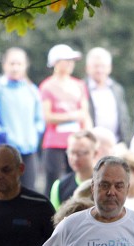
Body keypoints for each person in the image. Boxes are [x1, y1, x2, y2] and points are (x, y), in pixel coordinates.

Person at [0, 47, 44, 191]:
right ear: (4, 65)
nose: (15, 68)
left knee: (29, 190)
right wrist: (2, 133)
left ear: (25, 66)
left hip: (28, 151)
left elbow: (39, 119)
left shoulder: (32, 90)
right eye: (12, 63)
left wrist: (35, 134)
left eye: (19, 64)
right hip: (6, 151)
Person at [40, 44, 92, 195]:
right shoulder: (47, 86)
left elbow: (85, 113)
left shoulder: (79, 85)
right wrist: (72, 115)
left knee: (78, 179)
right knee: (52, 180)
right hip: (55, 143)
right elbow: (48, 116)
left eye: (72, 60)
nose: (70, 64)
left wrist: (89, 136)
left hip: (77, 141)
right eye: (66, 60)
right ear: (55, 62)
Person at [84, 47, 131, 144]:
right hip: (92, 145)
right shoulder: (81, 88)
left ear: (109, 68)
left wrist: (126, 141)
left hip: (117, 144)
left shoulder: (117, 89)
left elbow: (124, 117)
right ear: (87, 68)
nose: (99, 70)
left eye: (103, 66)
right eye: (96, 66)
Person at [49, 130, 97, 209]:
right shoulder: (59, 186)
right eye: (71, 152)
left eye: (80, 153)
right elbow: (56, 218)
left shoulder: (104, 183)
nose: (75, 158)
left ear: (95, 153)